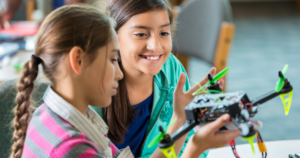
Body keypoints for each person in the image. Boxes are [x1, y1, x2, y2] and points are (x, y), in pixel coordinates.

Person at [11, 4, 240, 158]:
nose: (118, 73)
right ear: (78, 61)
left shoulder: (59, 117)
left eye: (164, 32)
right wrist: (194, 148)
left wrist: (180, 121)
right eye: (112, 59)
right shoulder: (74, 149)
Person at [93, 0, 225, 157]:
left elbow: (187, 141)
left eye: (163, 33)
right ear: (113, 36)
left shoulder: (171, 68)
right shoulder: (93, 85)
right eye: (141, 34)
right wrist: (181, 123)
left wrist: (193, 127)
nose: (155, 46)